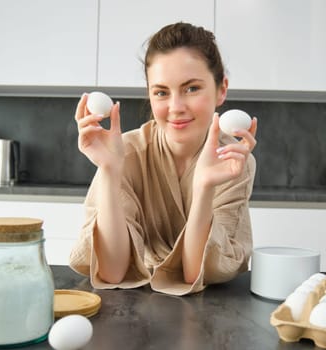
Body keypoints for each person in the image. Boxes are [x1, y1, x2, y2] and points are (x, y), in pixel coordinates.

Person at [69, 22, 257, 296]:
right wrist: (110, 171)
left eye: (191, 88)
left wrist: (204, 185)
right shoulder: (125, 154)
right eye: (161, 92)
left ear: (221, 89)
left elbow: (195, 273)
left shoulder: (232, 161)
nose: (176, 108)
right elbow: (111, 272)